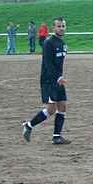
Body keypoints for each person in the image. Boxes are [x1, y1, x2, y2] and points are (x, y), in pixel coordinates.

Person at [22, 17, 70, 145]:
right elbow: (48, 64)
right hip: (49, 80)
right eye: (59, 26)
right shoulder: (49, 43)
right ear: (53, 28)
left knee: (63, 106)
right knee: (50, 110)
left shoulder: (63, 43)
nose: (61, 28)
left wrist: (60, 77)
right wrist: (57, 77)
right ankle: (28, 125)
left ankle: (57, 136)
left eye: (63, 26)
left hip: (58, 79)